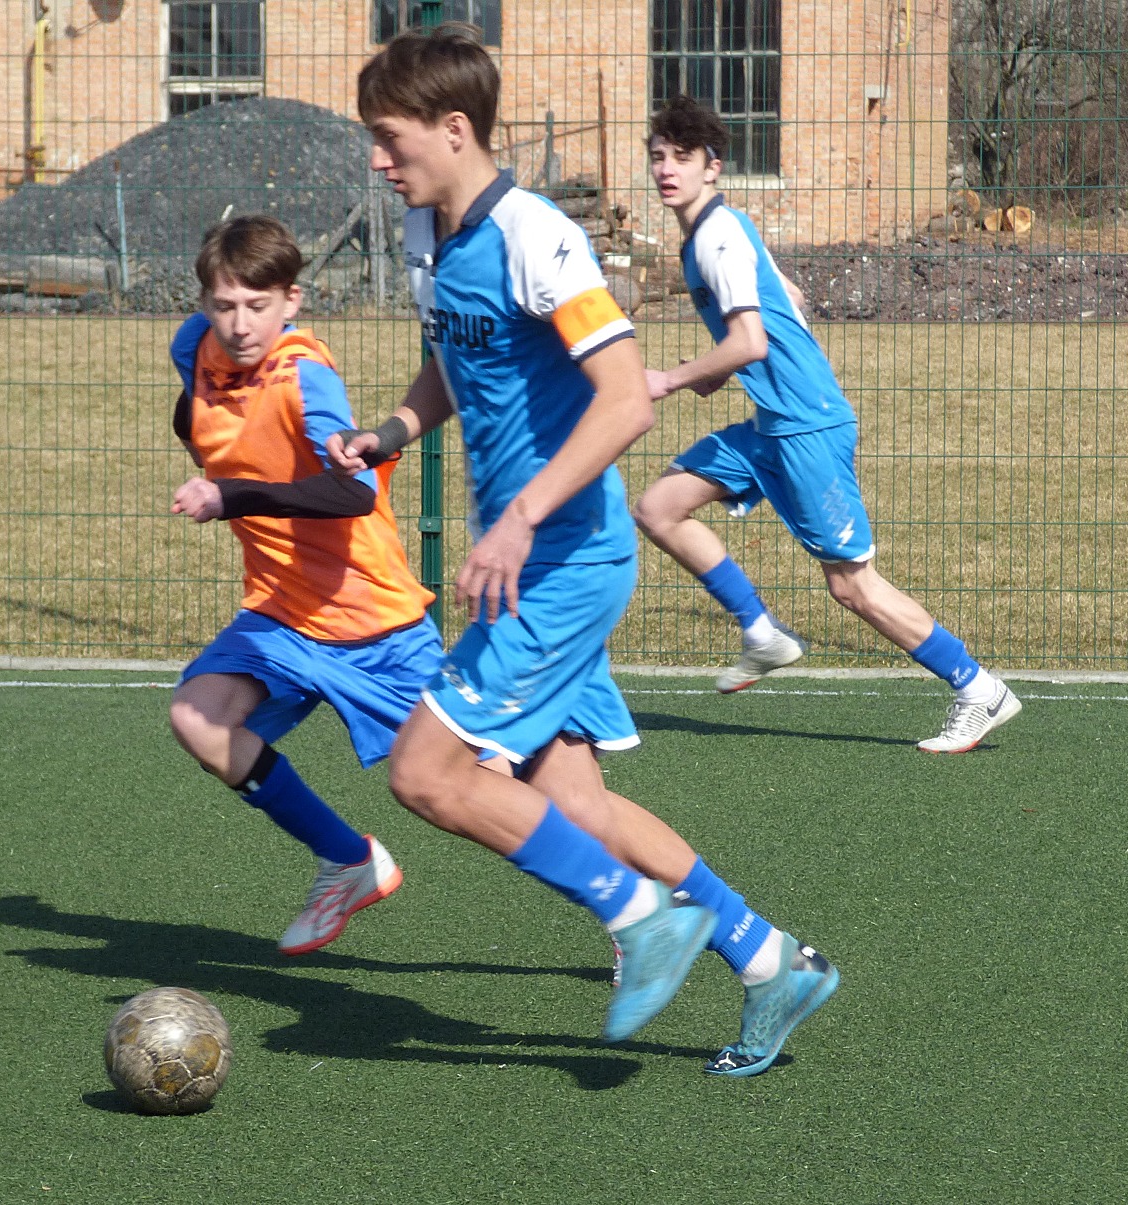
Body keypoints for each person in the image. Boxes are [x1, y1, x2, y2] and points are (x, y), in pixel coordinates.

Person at [331, 25, 837, 1074]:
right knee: (576, 805)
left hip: (561, 565)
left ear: (453, 129)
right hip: (532, 565)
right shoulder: (428, 234)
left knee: (426, 771)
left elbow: (622, 402)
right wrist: (389, 433)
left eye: (389, 138)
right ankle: (770, 960)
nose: (377, 160)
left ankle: (638, 916)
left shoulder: (537, 235)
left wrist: (518, 517)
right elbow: (452, 365)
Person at [631, 96, 1022, 754]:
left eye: (682, 157)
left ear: (712, 166)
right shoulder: (716, 233)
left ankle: (977, 687)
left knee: (851, 585)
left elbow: (750, 340)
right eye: (658, 157)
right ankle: (762, 633)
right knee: (659, 507)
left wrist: (673, 378)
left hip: (806, 427)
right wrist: (727, 368)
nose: (667, 169)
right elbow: (790, 300)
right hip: (774, 426)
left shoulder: (717, 237)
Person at [166, 214, 439, 957]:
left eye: (257, 306)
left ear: (293, 300)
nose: (239, 324)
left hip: (371, 620)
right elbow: (195, 415)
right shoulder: (192, 346)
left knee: (487, 780)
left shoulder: (304, 376)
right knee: (198, 716)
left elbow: (351, 494)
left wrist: (231, 495)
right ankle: (349, 861)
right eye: (223, 305)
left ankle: (631, 896)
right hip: (281, 612)